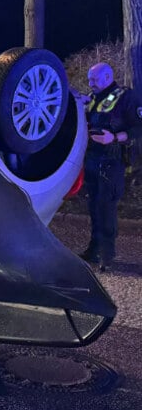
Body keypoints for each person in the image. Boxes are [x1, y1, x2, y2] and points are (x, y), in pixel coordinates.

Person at [77, 62, 142, 271]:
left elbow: (138, 128)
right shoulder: (93, 98)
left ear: (107, 78)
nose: (90, 83)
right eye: (89, 79)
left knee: (106, 207)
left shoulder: (126, 97)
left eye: (94, 79)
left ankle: (107, 254)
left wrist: (114, 137)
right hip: (92, 159)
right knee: (94, 206)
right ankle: (94, 249)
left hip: (112, 161)